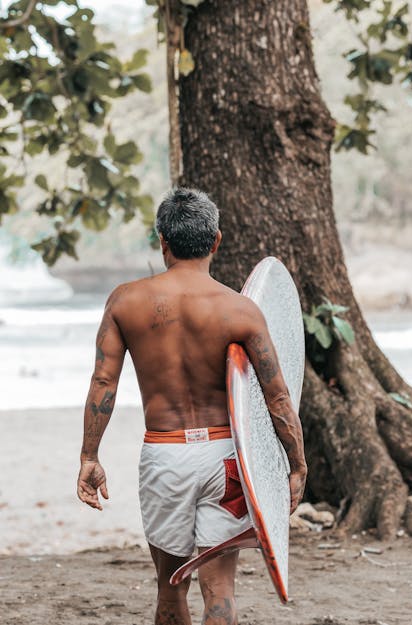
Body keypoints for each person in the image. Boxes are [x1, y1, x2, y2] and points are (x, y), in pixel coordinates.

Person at [77, 188, 308, 625]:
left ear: (162, 240)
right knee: (220, 593)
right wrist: (295, 464)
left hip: (166, 454)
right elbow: (278, 397)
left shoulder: (125, 301)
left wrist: (90, 455)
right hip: (225, 458)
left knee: (169, 592)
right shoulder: (240, 310)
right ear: (216, 240)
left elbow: (103, 382)